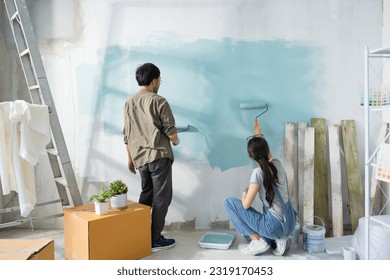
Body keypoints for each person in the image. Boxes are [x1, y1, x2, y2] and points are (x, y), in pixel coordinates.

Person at [123, 63, 180, 252]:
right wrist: (176, 140)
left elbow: (127, 134)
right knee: (162, 198)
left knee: (146, 194)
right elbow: (170, 130)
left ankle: (140, 235)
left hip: (139, 158)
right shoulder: (159, 101)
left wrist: (130, 159)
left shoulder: (129, 102)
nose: (159, 83)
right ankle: (154, 239)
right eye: (159, 80)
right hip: (158, 155)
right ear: (154, 80)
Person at [224, 121, 297, 256]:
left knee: (229, 203)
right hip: (290, 223)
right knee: (267, 211)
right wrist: (258, 133)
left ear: (251, 156)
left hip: (274, 226)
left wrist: (244, 193)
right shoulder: (277, 164)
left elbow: (245, 206)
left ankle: (258, 242)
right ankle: (277, 240)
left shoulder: (258, 173)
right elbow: (267, 153)